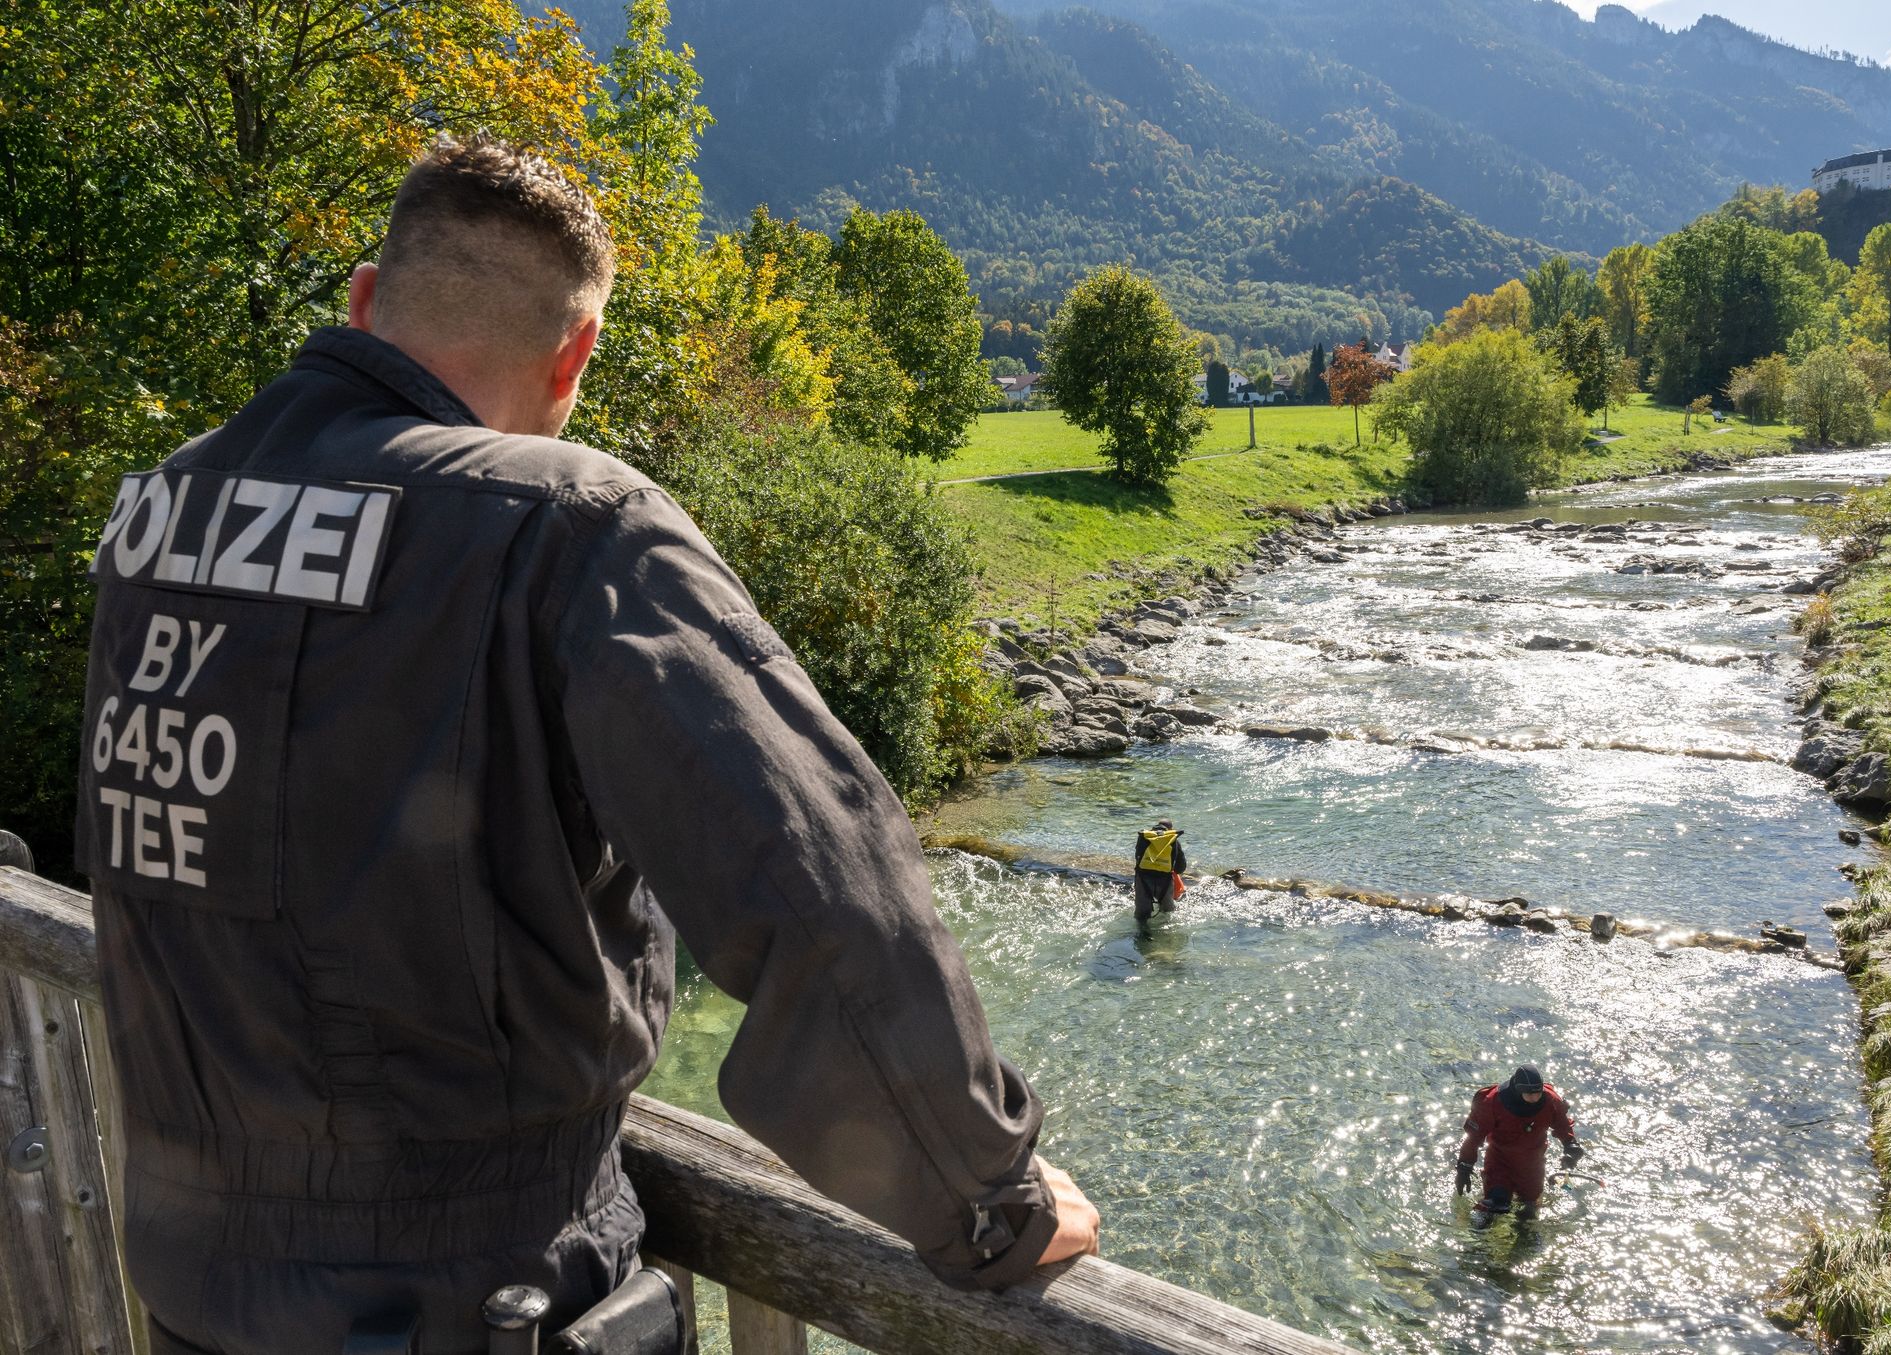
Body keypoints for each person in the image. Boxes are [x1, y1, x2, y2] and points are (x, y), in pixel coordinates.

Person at [75, 135, 1097, 1355]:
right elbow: (817, 879)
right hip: (474, 1293)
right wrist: (986, 1197)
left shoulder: (161, 509)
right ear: (577, 353)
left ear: (360, 301)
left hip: (195, 1281)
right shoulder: (563, 523)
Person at [1452, 1065, 1583, 1223]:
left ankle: (1525, 1242)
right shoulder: (1492, 1102)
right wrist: (1464, 1168)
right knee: (1495, 1204)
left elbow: (1563, 1125)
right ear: (1517, 1090)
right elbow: (1473, 1138)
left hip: (1533, 1164)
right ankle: (1476, 1242)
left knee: (1529, 1210)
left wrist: (1571, 1146)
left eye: (1538, 1093)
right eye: (1529, 1094)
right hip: (1500, 1161)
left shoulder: (1550, 1100)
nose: (1535, 1098)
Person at [1133, 818, 1186, 924]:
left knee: (1141, 916)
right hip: (1164, 881)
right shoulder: (1172, 839)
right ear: (1170, 828)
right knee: (1168, 913)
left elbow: (1138, 858)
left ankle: (1143, 936)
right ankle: (1165, 937)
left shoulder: (1145, 837)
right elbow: (1180, 867)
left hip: (1143, 880)